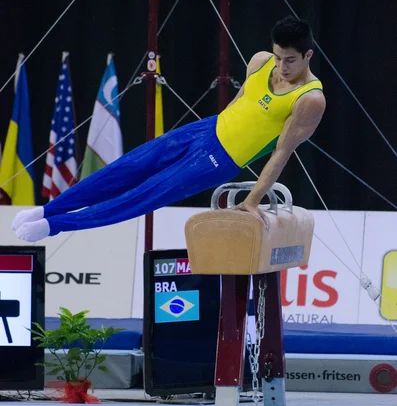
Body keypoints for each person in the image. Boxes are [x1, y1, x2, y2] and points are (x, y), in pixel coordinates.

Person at [13, 16, 326, 242]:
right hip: (204, 130)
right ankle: (48, 210)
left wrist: (253, 200)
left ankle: (56, 226)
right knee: (127, 167)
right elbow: (240, 102)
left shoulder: (309, 99)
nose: (283, 67)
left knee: (145, 194)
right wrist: (213, 129)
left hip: (221, 160)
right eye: (279, 57)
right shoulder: (261, 61)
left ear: (308, 55)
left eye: (291, 60)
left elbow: (282, 154)